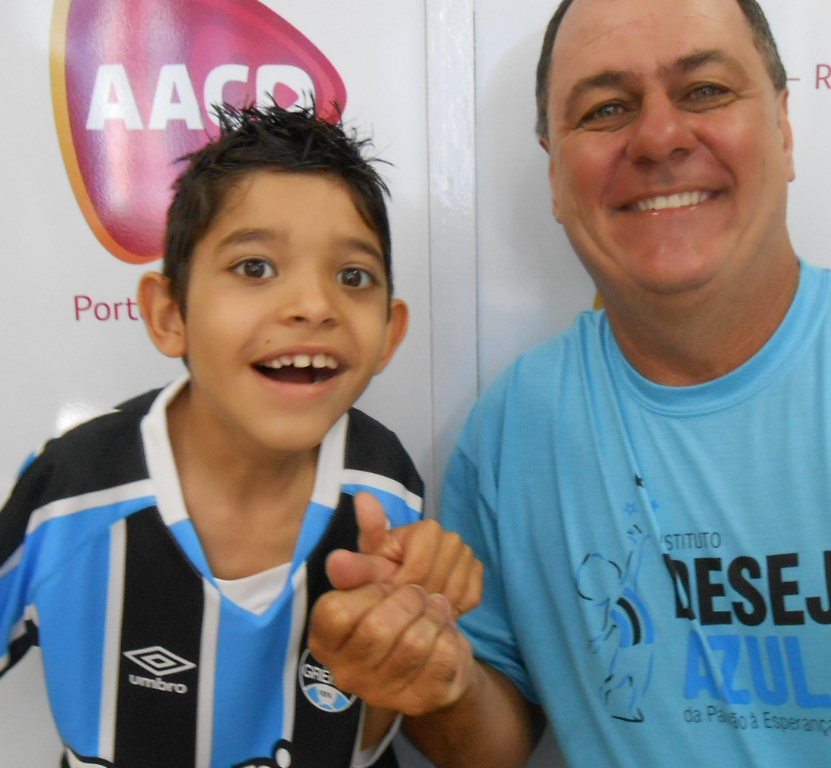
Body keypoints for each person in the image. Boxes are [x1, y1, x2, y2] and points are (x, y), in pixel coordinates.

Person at [308, 0, 831, 766]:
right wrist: (437, 683)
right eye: (606, 108)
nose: (658, 137)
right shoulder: (516, 427)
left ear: (784, 128)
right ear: (555, 172)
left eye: (706, 91)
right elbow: (494, 740)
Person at [0, 103, 481, 768]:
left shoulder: (383, 482)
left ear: (389, 336)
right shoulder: (69, 491)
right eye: (255, 267)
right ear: (170, 315)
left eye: (353, 276)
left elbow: (380, 718)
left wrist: (424, 627)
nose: (314, 306)